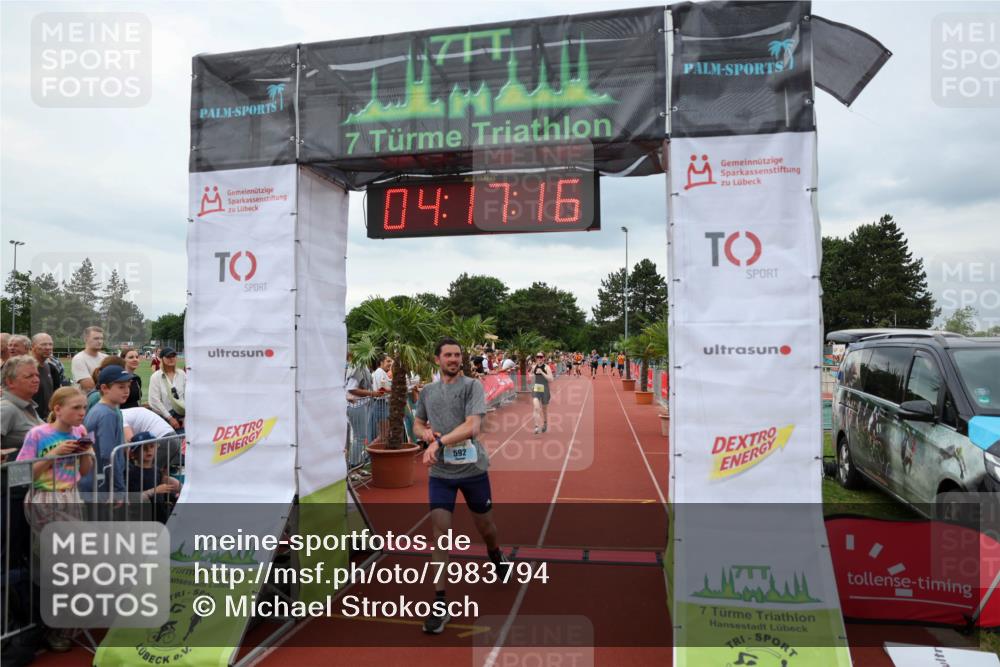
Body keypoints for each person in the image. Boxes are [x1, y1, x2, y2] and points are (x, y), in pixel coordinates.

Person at [414, 338, 510, 635]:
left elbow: (473, 426)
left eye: (457, 355)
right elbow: (417, 423)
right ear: (437, 359)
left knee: (486, 527)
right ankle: (440, 602)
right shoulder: (428, 392)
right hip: (441, 474)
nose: (454, 359)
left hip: (472, 470)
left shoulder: (472, 386)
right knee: (440, 533)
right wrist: (426, 433)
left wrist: (440, 442)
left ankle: (495, 553)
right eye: (448, 355)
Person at [16, 386, 92, 652]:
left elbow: (83, 471)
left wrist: (85, 453)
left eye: (84, 407)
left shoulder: (80, 432)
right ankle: (54, 628)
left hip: (71, 497)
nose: (82, 413)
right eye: (76, 407)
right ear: (57, 408)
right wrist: (53, 455)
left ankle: (65, 625)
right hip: (45, 501)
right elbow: (22, 475)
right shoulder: (38, 434)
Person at [80, 365, 134, 497]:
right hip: (102, 483)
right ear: (104, 388)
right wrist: (118, 489)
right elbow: (108, 455)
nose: (126, 391)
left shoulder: (98, 410)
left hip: (94, 480)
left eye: (128, 386)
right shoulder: (107, 415)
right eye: (121, 387)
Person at [128, 441, 181, 524]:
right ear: (134, 454)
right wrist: (154, 491)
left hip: (161, 516)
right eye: (144, 448)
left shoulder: (156, 470)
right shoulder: (132, 473)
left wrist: (174, 497)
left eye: (152, 446)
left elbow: (162, 491)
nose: (149, 450)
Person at [1, 356, 43, 456]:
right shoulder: (6, 408)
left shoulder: (26, 405)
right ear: (10, 382)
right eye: (29, 376)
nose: (36, 380)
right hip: (12, 471)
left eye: (37, 375)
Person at [149, 348, 185, 432]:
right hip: (164, 418)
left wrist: (186, 417)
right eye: (168, 356)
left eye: (173, 356)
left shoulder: (182, 374)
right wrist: (169, 418)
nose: (171, 358)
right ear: (162, 359)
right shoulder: (156, 377)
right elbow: (154, 400)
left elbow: (188, 396)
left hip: (182, 416)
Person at [71, 326, 107, 391]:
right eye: (96, 338)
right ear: (86, 339)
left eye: (101, 338)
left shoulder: (106, 358)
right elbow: (89, 386)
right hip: (87, 399)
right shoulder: (79, 359)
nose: (100, 341)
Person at [530, 352, 554, 434]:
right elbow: (531, 377)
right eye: (537, 357)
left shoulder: (547, 367)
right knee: (536, 407)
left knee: (544, 409)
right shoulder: (534, 367)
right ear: (536, 358)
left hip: (545, 389)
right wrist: (531, 379)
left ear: (543, 358)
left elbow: (551, 379)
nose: (539, 358)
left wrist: (542, 372)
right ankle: (536, 426)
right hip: (536, 388)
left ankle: (545, 423)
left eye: (541, 357)